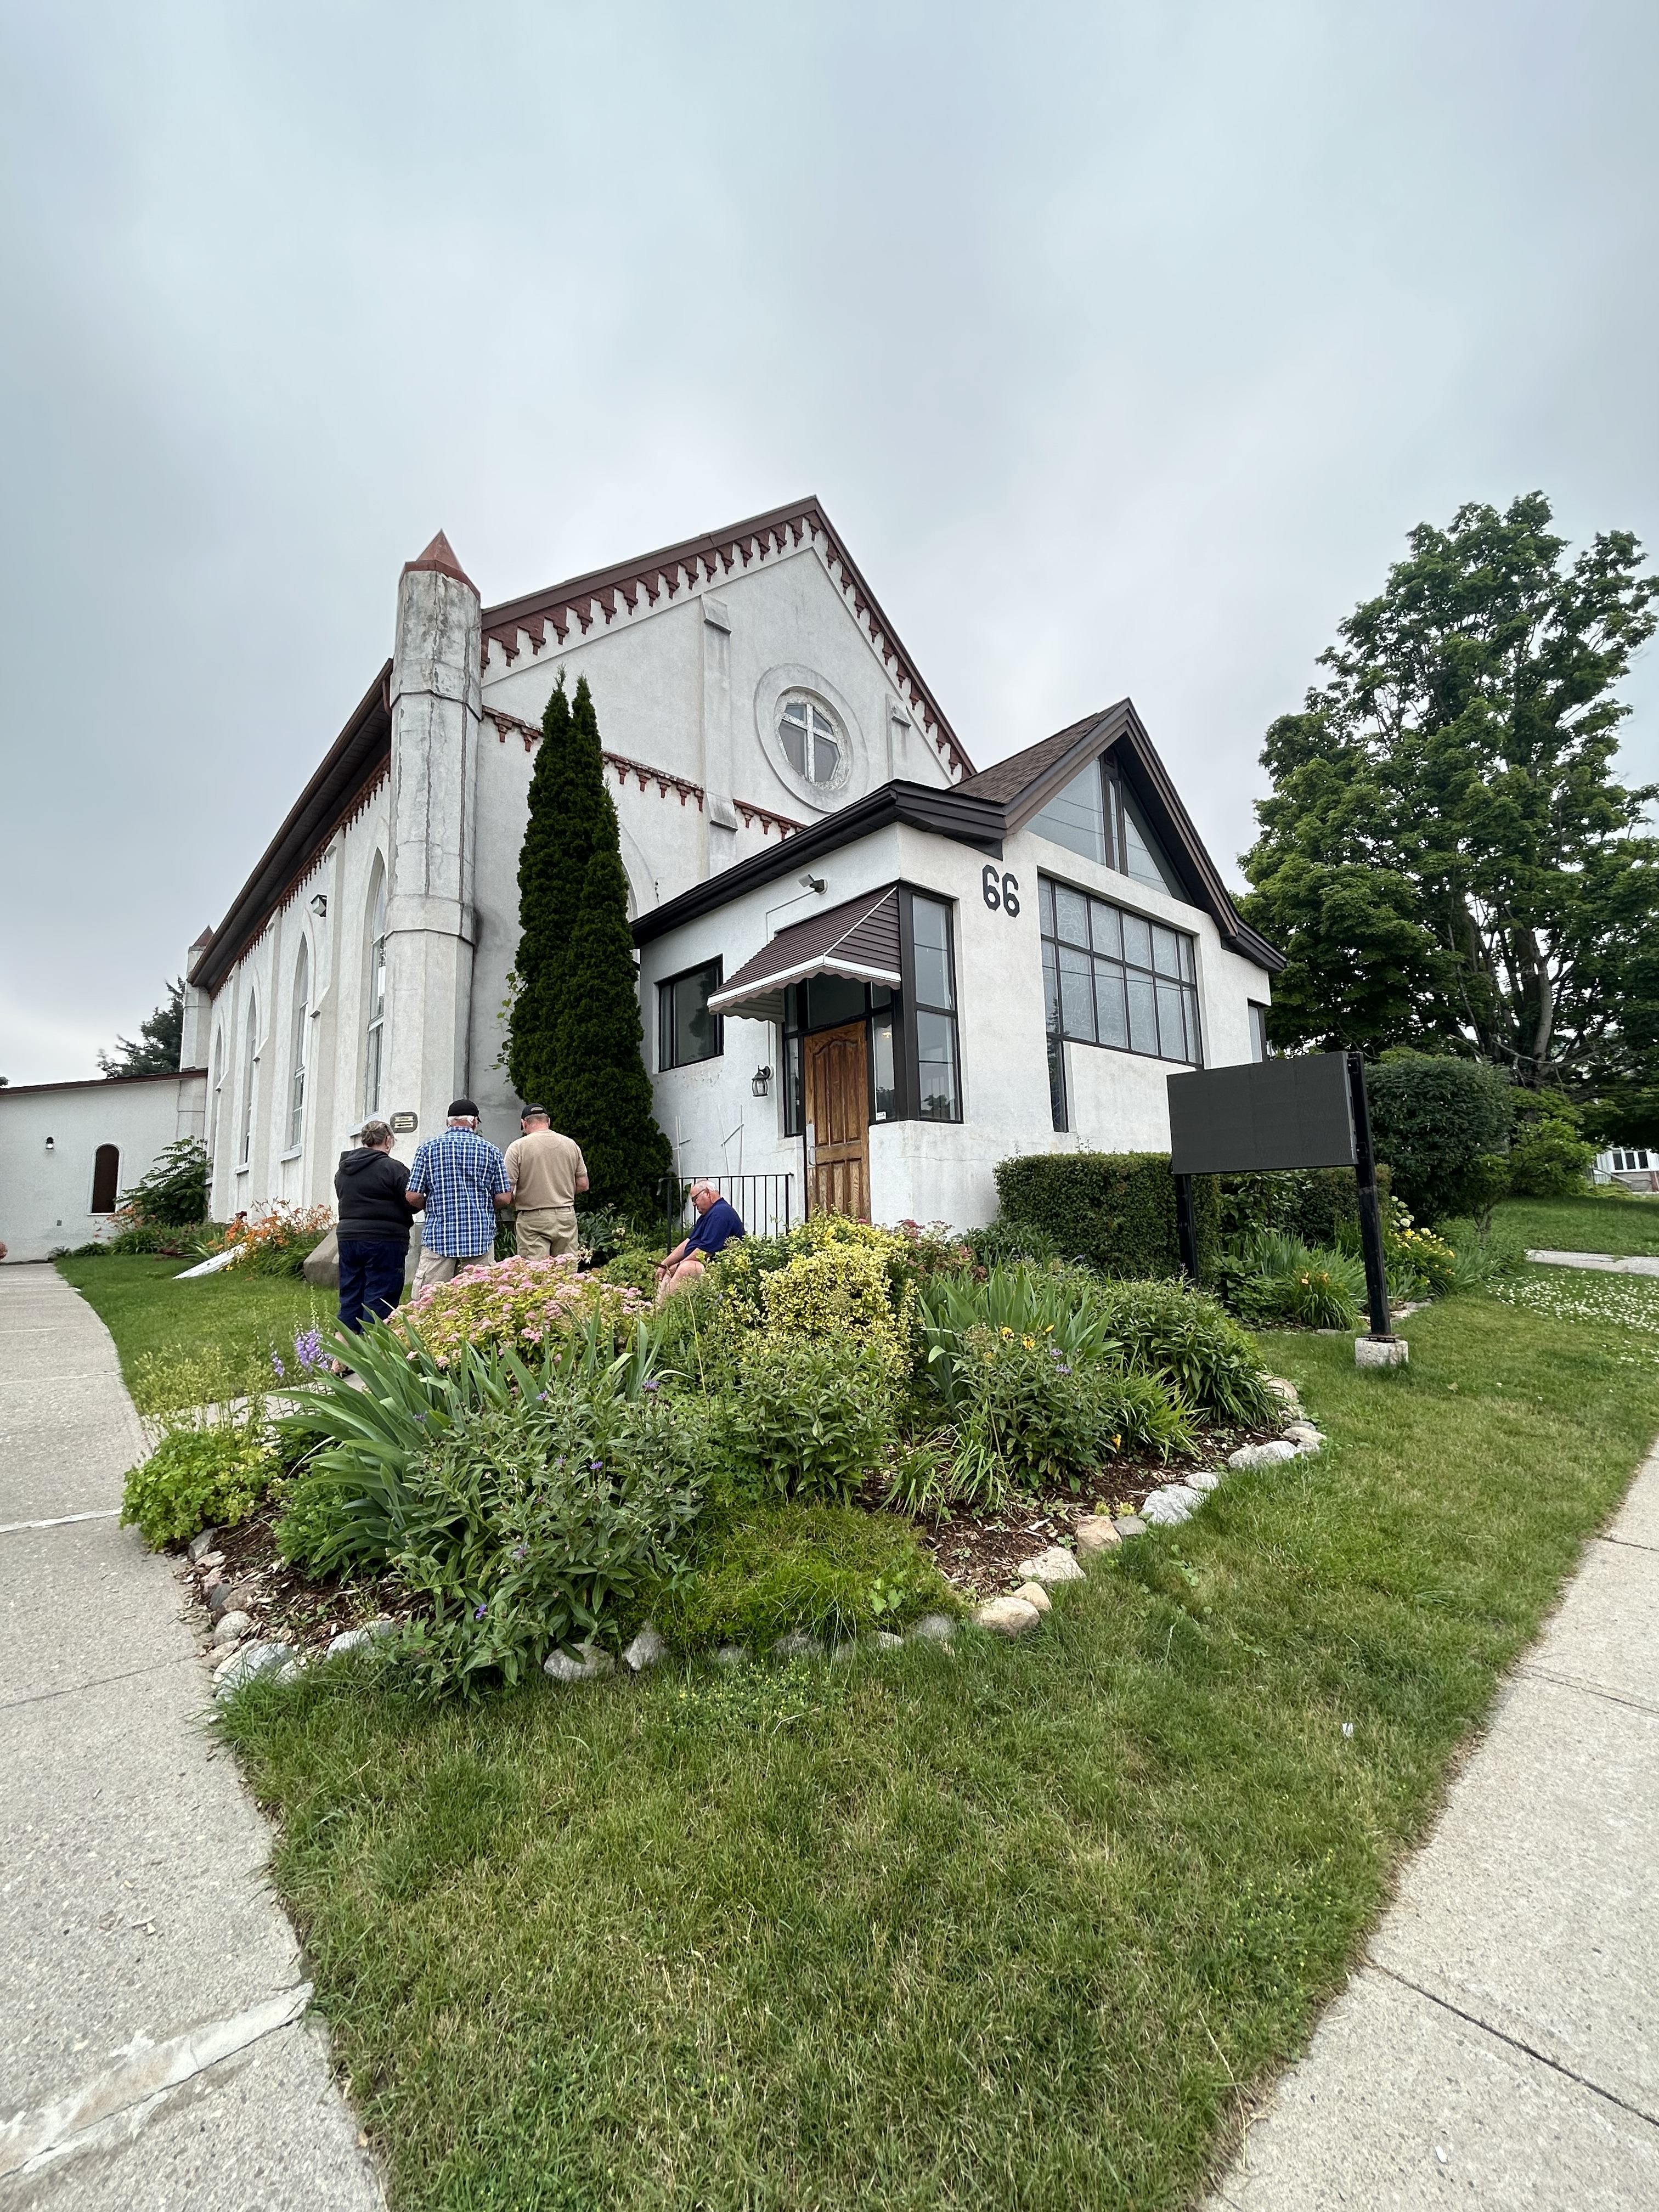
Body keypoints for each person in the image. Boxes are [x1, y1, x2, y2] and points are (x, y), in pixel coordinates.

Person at [405, 1099, 510, 1293]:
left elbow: (412, 1196)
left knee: (430, 1303)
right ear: (475, 1122)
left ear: (448, 1122)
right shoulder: (492, 1151)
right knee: (480, 1301)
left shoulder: (427, 1149)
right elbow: (504, 1197)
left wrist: (431, 1205)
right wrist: (483, 1205)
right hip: (479, 1236)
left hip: (439, 1237)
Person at [333, 1118, 420, 1332]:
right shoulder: (394, 1169)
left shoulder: (343, 1171)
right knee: (380, 1298)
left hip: (348, 1238)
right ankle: (373, 1357)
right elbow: (411, 1202)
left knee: (350, 1296)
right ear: (388, 1141)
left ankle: (342, 1359)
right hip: (385, 1241)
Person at [498, 1104, 589, 1260]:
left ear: (524, 1123)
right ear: (548, 1121)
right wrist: (560, 1192)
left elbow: (507, 1192)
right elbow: (583, 1184)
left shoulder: (517, 1148)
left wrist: (516, 1199)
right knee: (567, 1273)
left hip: (533, 1217)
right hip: (565, 1214)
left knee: (537, 1275)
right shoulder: (570, 1144)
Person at [656, 1182, 744, 1302]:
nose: (693, 1204)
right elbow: (689, 1242)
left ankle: (665, 1310)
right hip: (705, 1267)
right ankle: (656, 1313)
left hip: (718, 1271)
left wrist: (679, 1265)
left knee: (687, 1267)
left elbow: (705, 1252)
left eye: (695, 1199)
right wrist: (665, 1264)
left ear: (707, 1193)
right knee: (668, 1271)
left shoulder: (720, 1213)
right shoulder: (709, 1214)